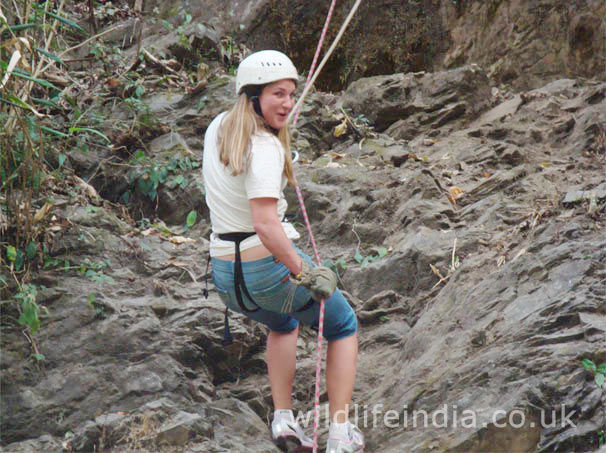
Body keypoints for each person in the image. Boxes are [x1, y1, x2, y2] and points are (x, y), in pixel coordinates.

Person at [202, 50, 364, 453]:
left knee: (284, 323)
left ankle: (283, 420)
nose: (288, 103)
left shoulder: (219, 128)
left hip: (227, 278)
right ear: (253, 96)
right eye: (278, 94)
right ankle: (340, 434)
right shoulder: (264, 147)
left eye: (291, 94)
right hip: (266, 269)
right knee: (342, 325)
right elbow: (265, 225)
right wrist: (305, 274)